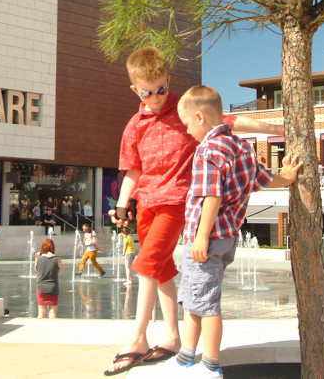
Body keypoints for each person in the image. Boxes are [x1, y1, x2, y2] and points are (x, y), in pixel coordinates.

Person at [104, 47, 283, 375]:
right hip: (147, 203)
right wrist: (121, 204)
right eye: (148, 92)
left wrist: (275, 128)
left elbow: (229, 120)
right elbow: (133, 170)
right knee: (160, 269)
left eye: (161, 89)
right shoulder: (134, 125)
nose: (157, 97)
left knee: (145, 264)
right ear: (135, 90)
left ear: (168, 81)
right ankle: (172, 337)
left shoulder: (186, 109)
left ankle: (138, 338)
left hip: (178, 203)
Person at [153, 85, 302, 378]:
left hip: (206, 238)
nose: (187, 131)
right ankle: (186, 356)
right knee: (195, 295)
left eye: (186, 125)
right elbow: (264, 180)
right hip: (227, 237)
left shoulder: (207, 151)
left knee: (205, 302)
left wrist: (200, 236)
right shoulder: (242, 148)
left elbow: (213, 196)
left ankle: (210, 363)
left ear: (199, 117)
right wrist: (287, 177)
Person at [35, 238, 64, 318]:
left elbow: (36, 271)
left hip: (40, 287)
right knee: (53, 312)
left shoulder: (38, 258)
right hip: (53, 287)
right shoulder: (57, 259)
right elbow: (61, 268)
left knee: (41, 312)